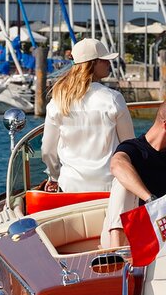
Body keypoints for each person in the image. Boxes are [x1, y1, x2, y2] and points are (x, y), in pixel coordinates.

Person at [101, 97, 166, 249]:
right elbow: (117, 165)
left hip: (162, 235)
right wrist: (150, 200)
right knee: (122, 183)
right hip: (128, 234)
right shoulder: (133, 149)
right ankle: (117, 254)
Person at [41, 38, 133, 194]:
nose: (109, 63)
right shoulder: (113, 99)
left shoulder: (58, 102)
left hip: (70, 186)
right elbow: (129, 146)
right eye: (105, 60)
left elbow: (47, 151)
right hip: (110, 187)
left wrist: (55, 176)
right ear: (93, 63)